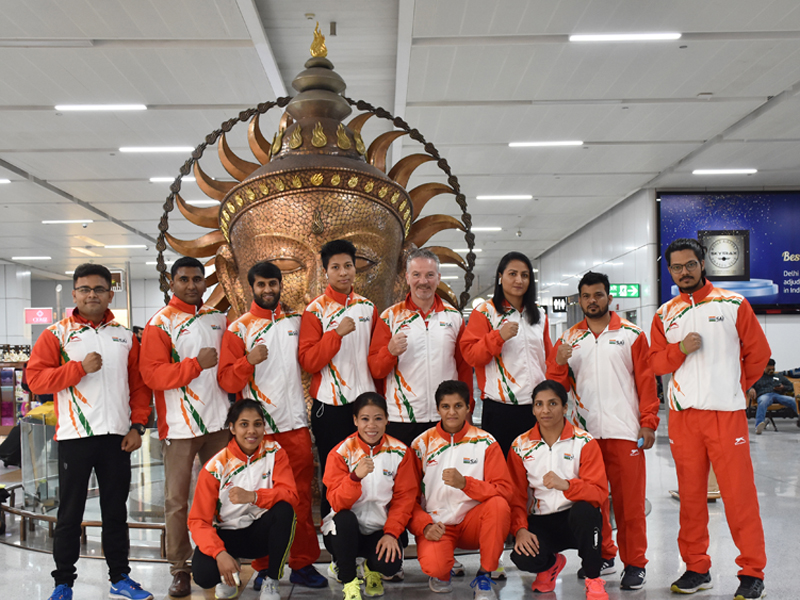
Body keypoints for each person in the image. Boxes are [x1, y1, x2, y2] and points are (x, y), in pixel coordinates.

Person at [650, 238, 770, 599]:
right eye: (676, 267)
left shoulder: (733, 304)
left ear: (702, 264)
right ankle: (696, 568)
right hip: (684, 419)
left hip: (725, 417)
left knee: (738, 496)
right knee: (690, 497)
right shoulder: (664, 314)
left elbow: (758, 354)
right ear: (669, 270)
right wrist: (680, 350)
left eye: (689, 265)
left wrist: (735, 388)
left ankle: (752, 573)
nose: (683, 272)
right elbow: (655, 363)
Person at [27, 263, 153, 600]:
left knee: (115, 512)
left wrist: (138, 426)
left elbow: (140, 388)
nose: (92, 294)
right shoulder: (56, 334)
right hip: (75, 439)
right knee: (70, 515)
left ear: (111, 293)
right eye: (85, 289)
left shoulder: (125, 336)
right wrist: (77, 369)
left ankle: (120, 578)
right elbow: (35, 379)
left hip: (117, 439)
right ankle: (63, 582)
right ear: (74, 294)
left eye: (99, 289)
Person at [217, 260, 327, 589]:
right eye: (261, 285)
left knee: (302, 500)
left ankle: (304, 563)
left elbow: (311, 359)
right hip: (257, 434)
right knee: (260, 501)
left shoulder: (298, 321)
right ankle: (265, 566)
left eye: (272, 284)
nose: (267, 290)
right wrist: (246, 362)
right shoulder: (239, 328)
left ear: (281, 285)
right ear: (251, 288)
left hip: (294, 426)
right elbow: (225, 379)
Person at [546, 271, 659, 589]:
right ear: (579, 300)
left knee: (629, 504)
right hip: (586, 437)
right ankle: (604, 555)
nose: (592, 301)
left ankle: (635, 563)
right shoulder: (569, 339)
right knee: (594, 501)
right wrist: (558, 362)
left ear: (609, 297)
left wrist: (648, 422)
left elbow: (646, 384)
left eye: (598, 295)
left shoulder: (633, 334)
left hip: (626, 433)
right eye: (586, 296)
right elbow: (555, 391)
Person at [139, 256, 231, 597]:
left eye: (197, 279)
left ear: (205, 282)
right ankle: (180, 567)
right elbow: (152, 375)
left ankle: (219, 555)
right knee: (177, 500)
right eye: (184, 279)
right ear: (171, 281)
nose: (191, 285)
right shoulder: (160, 323)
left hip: (219, 423)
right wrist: (194, 365)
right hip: (179, 426)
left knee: (220, 495)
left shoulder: (218, 319)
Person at [409, 380, 512, 600]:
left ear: (468, 408)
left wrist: (466, 484)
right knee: (437, 567)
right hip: (437, 525)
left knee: (498, 505)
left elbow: (504, 490)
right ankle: (443, 570)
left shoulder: (486, 442)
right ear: (438, 409)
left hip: (473, 524)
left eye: (458, 406)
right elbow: (408, 498)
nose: (452, 412)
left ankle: (485, 575)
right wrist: (424, 525)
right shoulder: (420, 444)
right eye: (446, 406)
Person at [507, 380, 609, 600]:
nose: (545, 410)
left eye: (552, 403)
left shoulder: (584, 442)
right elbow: (515, 496)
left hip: (574, 519)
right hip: (541, 521)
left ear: (565, 407)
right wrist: (520, 530)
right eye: (539, 404)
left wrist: (567, 485)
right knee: (521, 557)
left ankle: (593, 580)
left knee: (587, 513)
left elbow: (599, 492)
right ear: (533, 409)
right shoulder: (519, 446)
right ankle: (551, 565)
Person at [298, 239, 378, 517]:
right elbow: (308, 361)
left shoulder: (368, 308)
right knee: (333, 473)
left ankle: (364, 531)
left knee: (367, 469)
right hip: (329, 406)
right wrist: (335, 335)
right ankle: (334, 532)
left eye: (348, 266)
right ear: (326, 272)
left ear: (355, 269)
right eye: (336, 267)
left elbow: (376, 358)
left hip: (365, 407)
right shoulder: (315, 310)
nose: (343, 272)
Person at [188, 399, 297, 600]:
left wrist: (254, 497)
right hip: (227, 536)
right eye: (244, 424)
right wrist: (220, 553)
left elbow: (290, 495)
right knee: (204, 575)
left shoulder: (274, 452)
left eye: (257, 424)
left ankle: (271, 580)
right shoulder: (215, 466)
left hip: (259, 533)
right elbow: (198, 521)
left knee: (285, 511)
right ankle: (227, 575)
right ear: (232, 427)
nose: (251, 431)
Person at [368, 248, 473, 446]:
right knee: (405, 476)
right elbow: (376, 369)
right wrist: (389, 352)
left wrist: (468, 410)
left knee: (443, 476)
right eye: (417, 275)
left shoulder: (453, 317)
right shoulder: (390, 317)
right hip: (402, 418)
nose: (423, 281)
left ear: (438, 278)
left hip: (445, 416)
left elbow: (464, 368)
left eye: (429, 275)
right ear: (407, 277)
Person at [322, 392, 417, 600]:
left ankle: (371, 569)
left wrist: (391, 533)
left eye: (378, 418)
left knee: (390, 565)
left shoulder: (401, 452)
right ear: (355, 420)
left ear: (387, 420)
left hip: (380, 530)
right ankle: (349, 581)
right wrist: (354, 478)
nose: (371, 425)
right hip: (345, 531)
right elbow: (337, 502)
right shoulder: (340, 453)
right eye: (364, 419)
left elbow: (404, 499)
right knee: (345, 519)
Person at [461, 251, 552, 456]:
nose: (519, 280)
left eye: (525, 275)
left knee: (535, 470)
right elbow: (471, 355)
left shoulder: (539, 316)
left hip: (537, 408)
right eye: (512, 274)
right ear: (500, 277)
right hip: (500, 409)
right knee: (502, 474)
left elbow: (548, 359)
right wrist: (497, 337)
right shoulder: (485, 311)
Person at [748, 358, 799, 434]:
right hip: (764, 395)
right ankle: (759, 426)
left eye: (773, 368)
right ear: (764, 367)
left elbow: (791, 386)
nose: (771, 371)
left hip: (777, 395)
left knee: (793, 401)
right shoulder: (758, 376)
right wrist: (750, 389)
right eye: (769, 369)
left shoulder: (777, 376)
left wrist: (783, 387)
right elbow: (748, 385)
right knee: (763, 402)